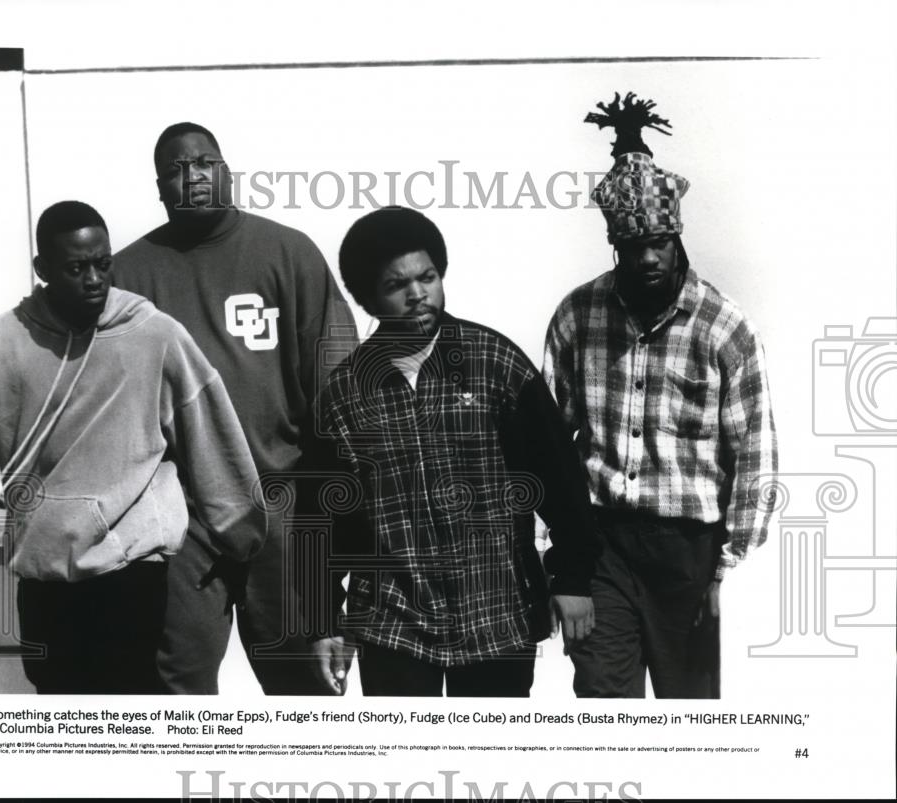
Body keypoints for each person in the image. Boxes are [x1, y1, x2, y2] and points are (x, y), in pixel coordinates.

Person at [0, 201, 265, 694]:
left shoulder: (154, 334)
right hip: (44, 575)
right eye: (76, 268)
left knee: (129, 703)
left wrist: (241, 542)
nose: (94, 280)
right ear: (42, 269)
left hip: (132, 570)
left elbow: (213, 434)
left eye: (103, 264)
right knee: (59, 707)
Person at [300, 206, 599, 697]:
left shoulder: (496, 364)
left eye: (428, 277)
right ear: (367, 297)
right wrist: (322, 623)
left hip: (496, 618)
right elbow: (319, 522)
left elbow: (559, 477)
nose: (418, 295)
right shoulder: (343, 396)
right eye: (397, 285)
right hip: (392, 627)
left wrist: (573, 578)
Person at [543, 93, 778, 698]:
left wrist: (725, 568)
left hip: (687, 554)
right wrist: (561, 562)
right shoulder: (577, 317)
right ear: (614, 246)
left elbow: (754, 454)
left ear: (677, 239)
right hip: (601, 545)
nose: (648, 258)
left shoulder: (725, 328)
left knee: (689, 717)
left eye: (660, 243)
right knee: (604, 704)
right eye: (633, 247)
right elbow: (549, 444)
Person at [112, 122, 356, 695]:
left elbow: (337, 392)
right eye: (177, 169)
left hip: (282, 502)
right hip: (183, 513)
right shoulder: (127, 276)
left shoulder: (288, 253)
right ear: (159, 188)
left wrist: (332, 515)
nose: (193, 176)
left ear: (226, 171)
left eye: (204, 162)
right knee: (178, 686)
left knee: (304, 687)